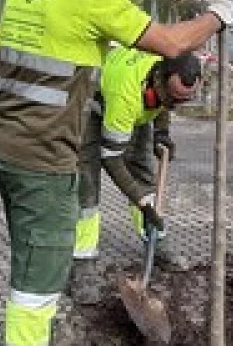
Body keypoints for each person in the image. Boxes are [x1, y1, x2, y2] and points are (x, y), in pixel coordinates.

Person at [0, 0, 233, 346]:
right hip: (42, 152)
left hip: (2, 141)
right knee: (45, 255)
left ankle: (36, 343)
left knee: (31, 248)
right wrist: (217, 16)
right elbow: (170, 42)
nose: (123, 0)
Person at [71, 46, 202, 304]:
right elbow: (112, 160)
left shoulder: (165, 65)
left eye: (183, 101)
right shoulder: (126, 95)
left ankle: (156, 241)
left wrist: (162, 132)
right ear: (159, 80)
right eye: (173, 98)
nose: (175, 106)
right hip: (91, 108)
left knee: (143, 173)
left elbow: (165, 104)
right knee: (87, 187)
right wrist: (142, 202)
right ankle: (82, 265)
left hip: (136, 106)